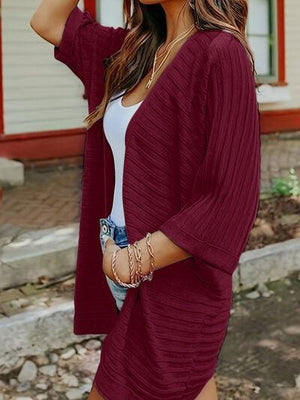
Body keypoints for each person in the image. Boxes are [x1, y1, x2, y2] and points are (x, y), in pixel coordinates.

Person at [30, 0, 261, 399]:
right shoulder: (133, 50)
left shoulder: (221, 52)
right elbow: (46, 20)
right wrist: (120, 262)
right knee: (186, 384)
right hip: (124, 262)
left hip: (176, 276)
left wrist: (130, 261)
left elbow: (229, 197)